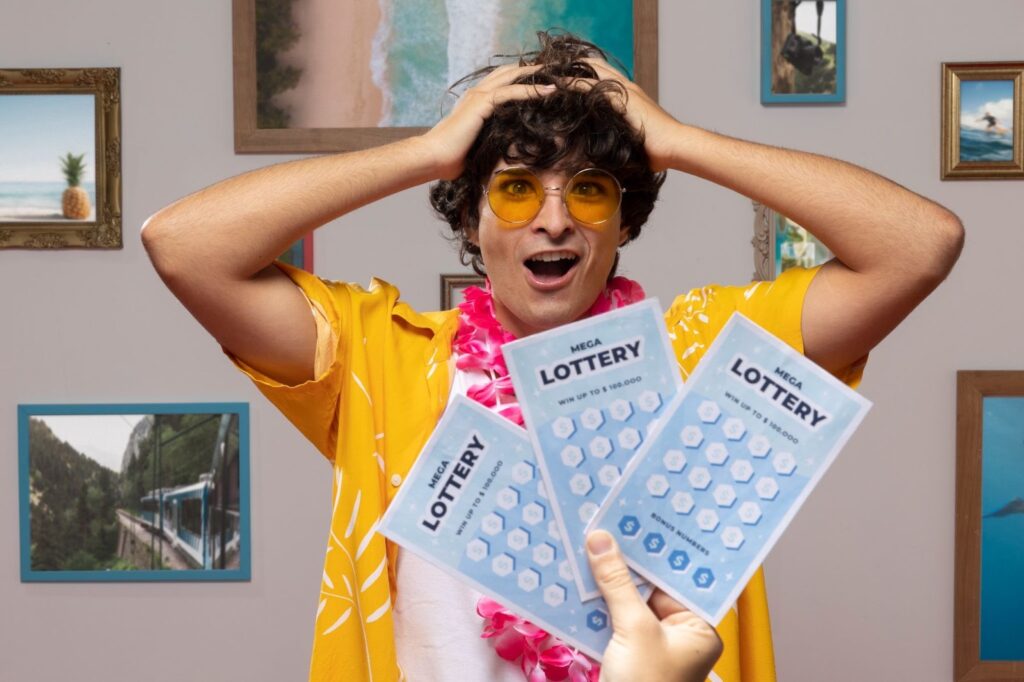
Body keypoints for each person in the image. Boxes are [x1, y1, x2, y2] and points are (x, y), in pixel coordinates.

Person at [142, 32, 962, 682]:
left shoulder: (701, 356)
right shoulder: (384, 358)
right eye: (516, 188)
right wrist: (430, 152)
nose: (555, 220)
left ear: (624, 221)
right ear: (470, 220)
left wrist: (677, 141)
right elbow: (184, 248)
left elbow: (919, 247)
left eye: (591, 189)